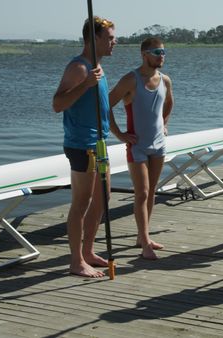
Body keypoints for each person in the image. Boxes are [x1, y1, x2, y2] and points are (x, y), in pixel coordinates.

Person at [52, 16, 116, 278]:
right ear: (94, 39)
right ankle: (76, 261)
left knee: (104, 198)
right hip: (81, 145)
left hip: (100, 143)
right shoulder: (79, 68)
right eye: (110, 38)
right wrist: (86, 84)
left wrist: (118, 132)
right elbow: (58, 104)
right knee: (81, 203)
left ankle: (88, 251)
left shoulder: (97, 67)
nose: (114, 43)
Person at [109, 37, 174, 260]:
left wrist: (164, 124)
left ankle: (142, 236)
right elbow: (105, 105)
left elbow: (169, 104)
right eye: (157, 52)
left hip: (158, 145)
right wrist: (120, 134)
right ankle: (145, 243)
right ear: (144, 54)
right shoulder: (131, 79)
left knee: (152, 191)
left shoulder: (165, 80)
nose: (161, 56)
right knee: (142, 192)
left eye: (163, 52)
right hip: (137, 146)